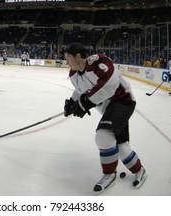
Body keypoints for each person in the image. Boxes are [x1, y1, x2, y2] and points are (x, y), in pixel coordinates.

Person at [63, 44, 147, 193]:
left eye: (68, 57)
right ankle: (139, 170)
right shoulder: (74, 74)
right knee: (121, 147)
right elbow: (80, 89)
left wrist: (86, 102)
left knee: (103, 135)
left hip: (122, 101)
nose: (66, 61)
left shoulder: (97, 62)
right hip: (108, 108)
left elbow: (110, 85)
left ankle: (109, 174)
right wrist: (72, 102)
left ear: (78, 56)